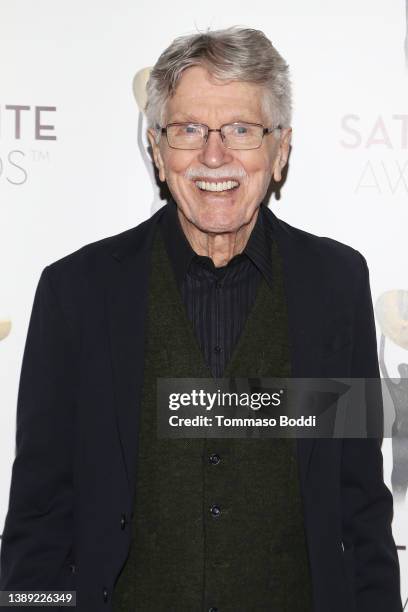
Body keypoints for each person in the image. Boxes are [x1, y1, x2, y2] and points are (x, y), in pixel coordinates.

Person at [0, 26, 402, 612]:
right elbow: (39, 517)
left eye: (241, 129)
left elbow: (359, 505)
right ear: (158, 151)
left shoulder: (334, 284)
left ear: (280, 148)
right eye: (189, 130)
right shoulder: (76, 292)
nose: (215, 156)